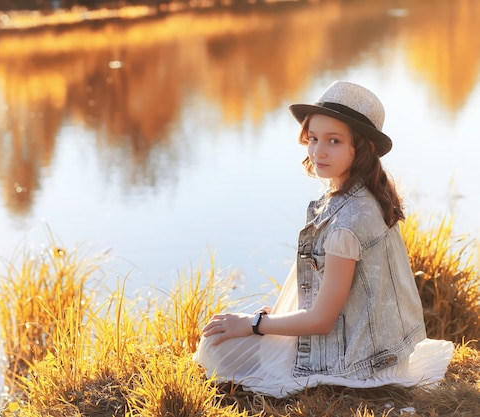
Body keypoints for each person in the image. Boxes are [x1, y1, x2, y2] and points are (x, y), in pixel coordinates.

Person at [194, 80, 454, 398]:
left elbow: (322, 319)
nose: (318, 151)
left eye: (333, 141)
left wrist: (254, 323)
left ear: (363, 148)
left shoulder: (347, 221)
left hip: (353, 359)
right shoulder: (366, 194)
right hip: (372, 344)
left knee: (215, 347)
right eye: (314, 138)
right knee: (223, 335)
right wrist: (274, 317)